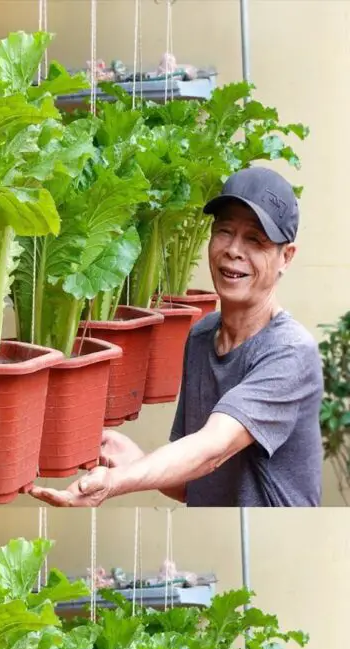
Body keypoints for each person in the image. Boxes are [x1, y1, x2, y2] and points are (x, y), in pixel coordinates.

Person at [30, 167, 324, 508]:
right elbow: (194, 483)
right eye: (224, 231)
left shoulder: (290, 352)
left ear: (286, 257)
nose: (233, 250)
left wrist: (116, 482)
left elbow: (212, 449)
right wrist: (136, 459)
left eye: (254, 240)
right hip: (213, 535)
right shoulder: (201, 336)